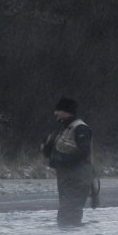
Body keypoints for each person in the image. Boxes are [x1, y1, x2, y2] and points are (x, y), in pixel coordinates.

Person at [41, 96, 96, 227]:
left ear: (66, 111)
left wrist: (62, 160)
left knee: (70, 213)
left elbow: (84, 152)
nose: (55, 113)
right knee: (65, 213)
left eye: (58, 110)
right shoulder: (63, 130)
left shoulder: (81, 128)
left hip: (78, 178)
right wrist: (47, 148)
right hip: (66, 179)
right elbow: (50, 153)